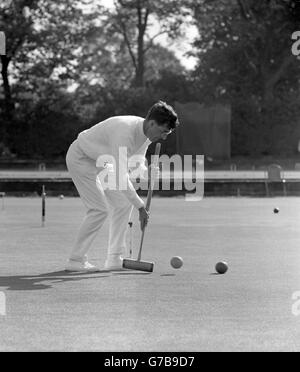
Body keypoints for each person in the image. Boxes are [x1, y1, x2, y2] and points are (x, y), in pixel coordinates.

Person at [65, 100, 179, 272]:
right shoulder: (124, 132)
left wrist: (148, 172)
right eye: (163, 132)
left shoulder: (146, 137)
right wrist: (140, 206)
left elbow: (137, 163)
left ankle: (114, 258)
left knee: (123, 203)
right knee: (99, 209)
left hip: (103, 162)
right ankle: (75, 260)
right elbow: (120, 176)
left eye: (167, 134)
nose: (163, 137)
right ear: (152, 123)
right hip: (81, 158)